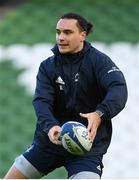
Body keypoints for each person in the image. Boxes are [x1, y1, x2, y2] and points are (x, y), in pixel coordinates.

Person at [4, 12, 128, 179]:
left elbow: (118, 88)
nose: (60, 37)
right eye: (58, 32)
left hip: (87, 149)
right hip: (50, 143)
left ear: (82, 35)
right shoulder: (47, 66)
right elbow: (42, 101)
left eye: (67, 32)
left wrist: (99, 114)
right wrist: (51, 127)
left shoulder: (99, 61)